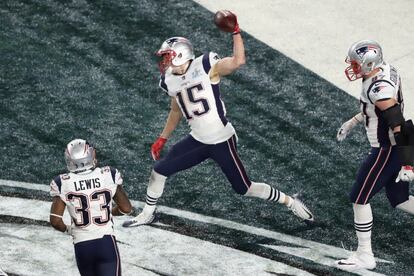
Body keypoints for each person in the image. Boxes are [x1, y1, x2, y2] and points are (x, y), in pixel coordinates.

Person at [123, 11, 313, 228]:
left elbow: (238, 62)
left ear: (180, 55)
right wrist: (162, 138)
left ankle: (289, 200)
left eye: (167, 56)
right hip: (198, 140)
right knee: (159, 171)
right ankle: (147, 214)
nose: (164, 61)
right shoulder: (169, 80)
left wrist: (235, 32)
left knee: (244, 188)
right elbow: (176, 110)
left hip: (222, 140)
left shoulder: (205, 65)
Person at [335, 40, 414, 271]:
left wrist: (408, 164)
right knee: (399, 199)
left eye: (356, 63)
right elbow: (375, 108)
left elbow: (399, 125)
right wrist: (353, 121)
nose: (352, 67)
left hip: (386, 149)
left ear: (369, 63)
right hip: (392, 148)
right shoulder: (386, 70)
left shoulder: (379, 89)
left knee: (359, 198)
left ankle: (365, 256)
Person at [49, 139, 132, 276]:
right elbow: (126, 208)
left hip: (82, 247)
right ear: (90, 156)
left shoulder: (62, 182)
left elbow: (55, 221)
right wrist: (109, 212)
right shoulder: (108, 175)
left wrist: (69, 230)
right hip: (106, 243)